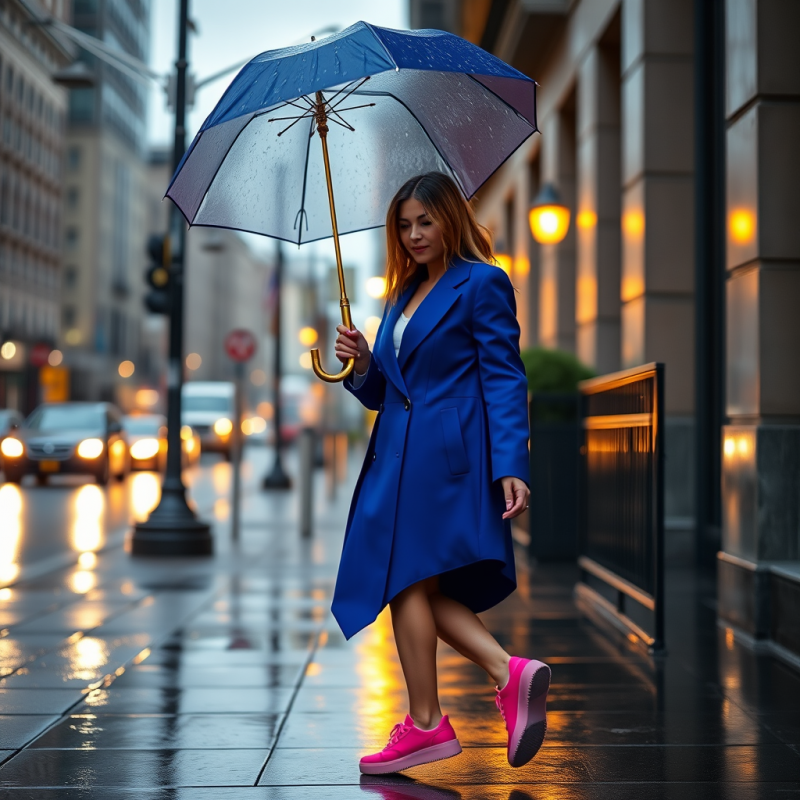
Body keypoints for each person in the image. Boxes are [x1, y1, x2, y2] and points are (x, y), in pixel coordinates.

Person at [332, 172, 550, 775]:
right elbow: (385, 393)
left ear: (450, 218)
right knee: (419, 584)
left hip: (446, 460)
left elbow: (505, 377)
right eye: (404, 224)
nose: (414, 234)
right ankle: (505, 674)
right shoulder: (401, 296)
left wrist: (511, 465)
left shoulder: (482, 282)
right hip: (398, 457)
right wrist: (362, 363)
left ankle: (427, 723)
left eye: (425, 220)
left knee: (407, 580)